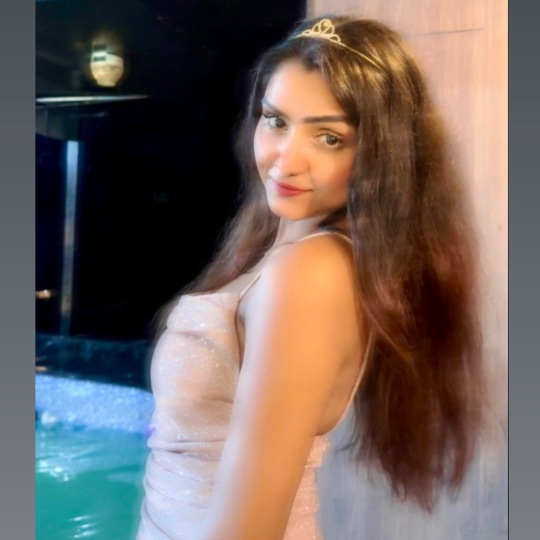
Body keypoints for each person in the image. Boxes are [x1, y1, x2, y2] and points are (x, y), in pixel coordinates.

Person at [136, 15, 486, 540]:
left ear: (382, 154)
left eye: (328, 137)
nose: (286, 159)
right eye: (276, 121)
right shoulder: (283, 251)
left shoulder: (309, 273)